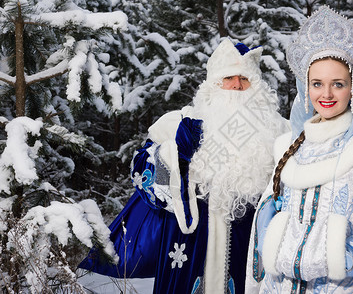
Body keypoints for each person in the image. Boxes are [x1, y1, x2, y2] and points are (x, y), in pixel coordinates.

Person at [79, 38, 289, 294]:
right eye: (229, 78)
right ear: (213, 84)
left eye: (245, 79)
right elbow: (140, 170)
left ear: (256, 86)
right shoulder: (178, 122)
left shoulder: (278, 130)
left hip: (248, 244)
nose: (236, 86)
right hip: (186, 244)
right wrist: (175, 158)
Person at [245, 6, 353, 293]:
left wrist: (339, 257)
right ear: (306, 88)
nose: (326, 94)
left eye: (337, 84)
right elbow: (266, 214)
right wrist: (277, 249)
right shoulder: (289, 148)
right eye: (317, 84)